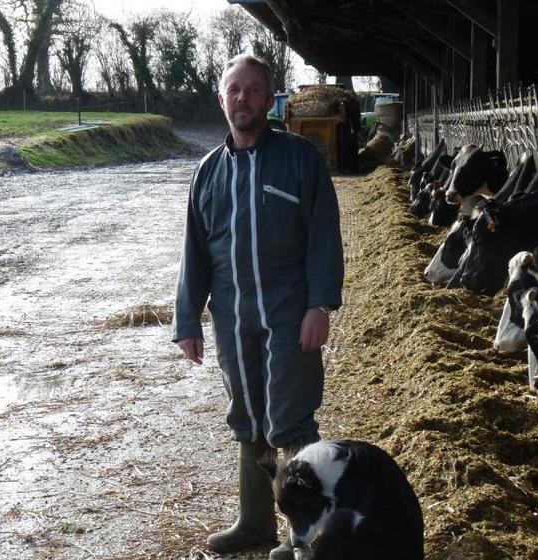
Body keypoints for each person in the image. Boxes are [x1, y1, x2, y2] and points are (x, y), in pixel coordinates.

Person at [172, 54, 344, 560]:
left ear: (271, 100)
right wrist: (188, 320)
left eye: (253, 90)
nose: (242, 99)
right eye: (233, 90)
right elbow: (195, 252)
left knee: (290, 419)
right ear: (221, 97)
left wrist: (320, 305)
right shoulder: (207, 173)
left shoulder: (298, 158)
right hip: (233, 316)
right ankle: (254, 523)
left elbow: (323, 236)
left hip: (289, 311)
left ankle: (308, 534)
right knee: (246, 416)